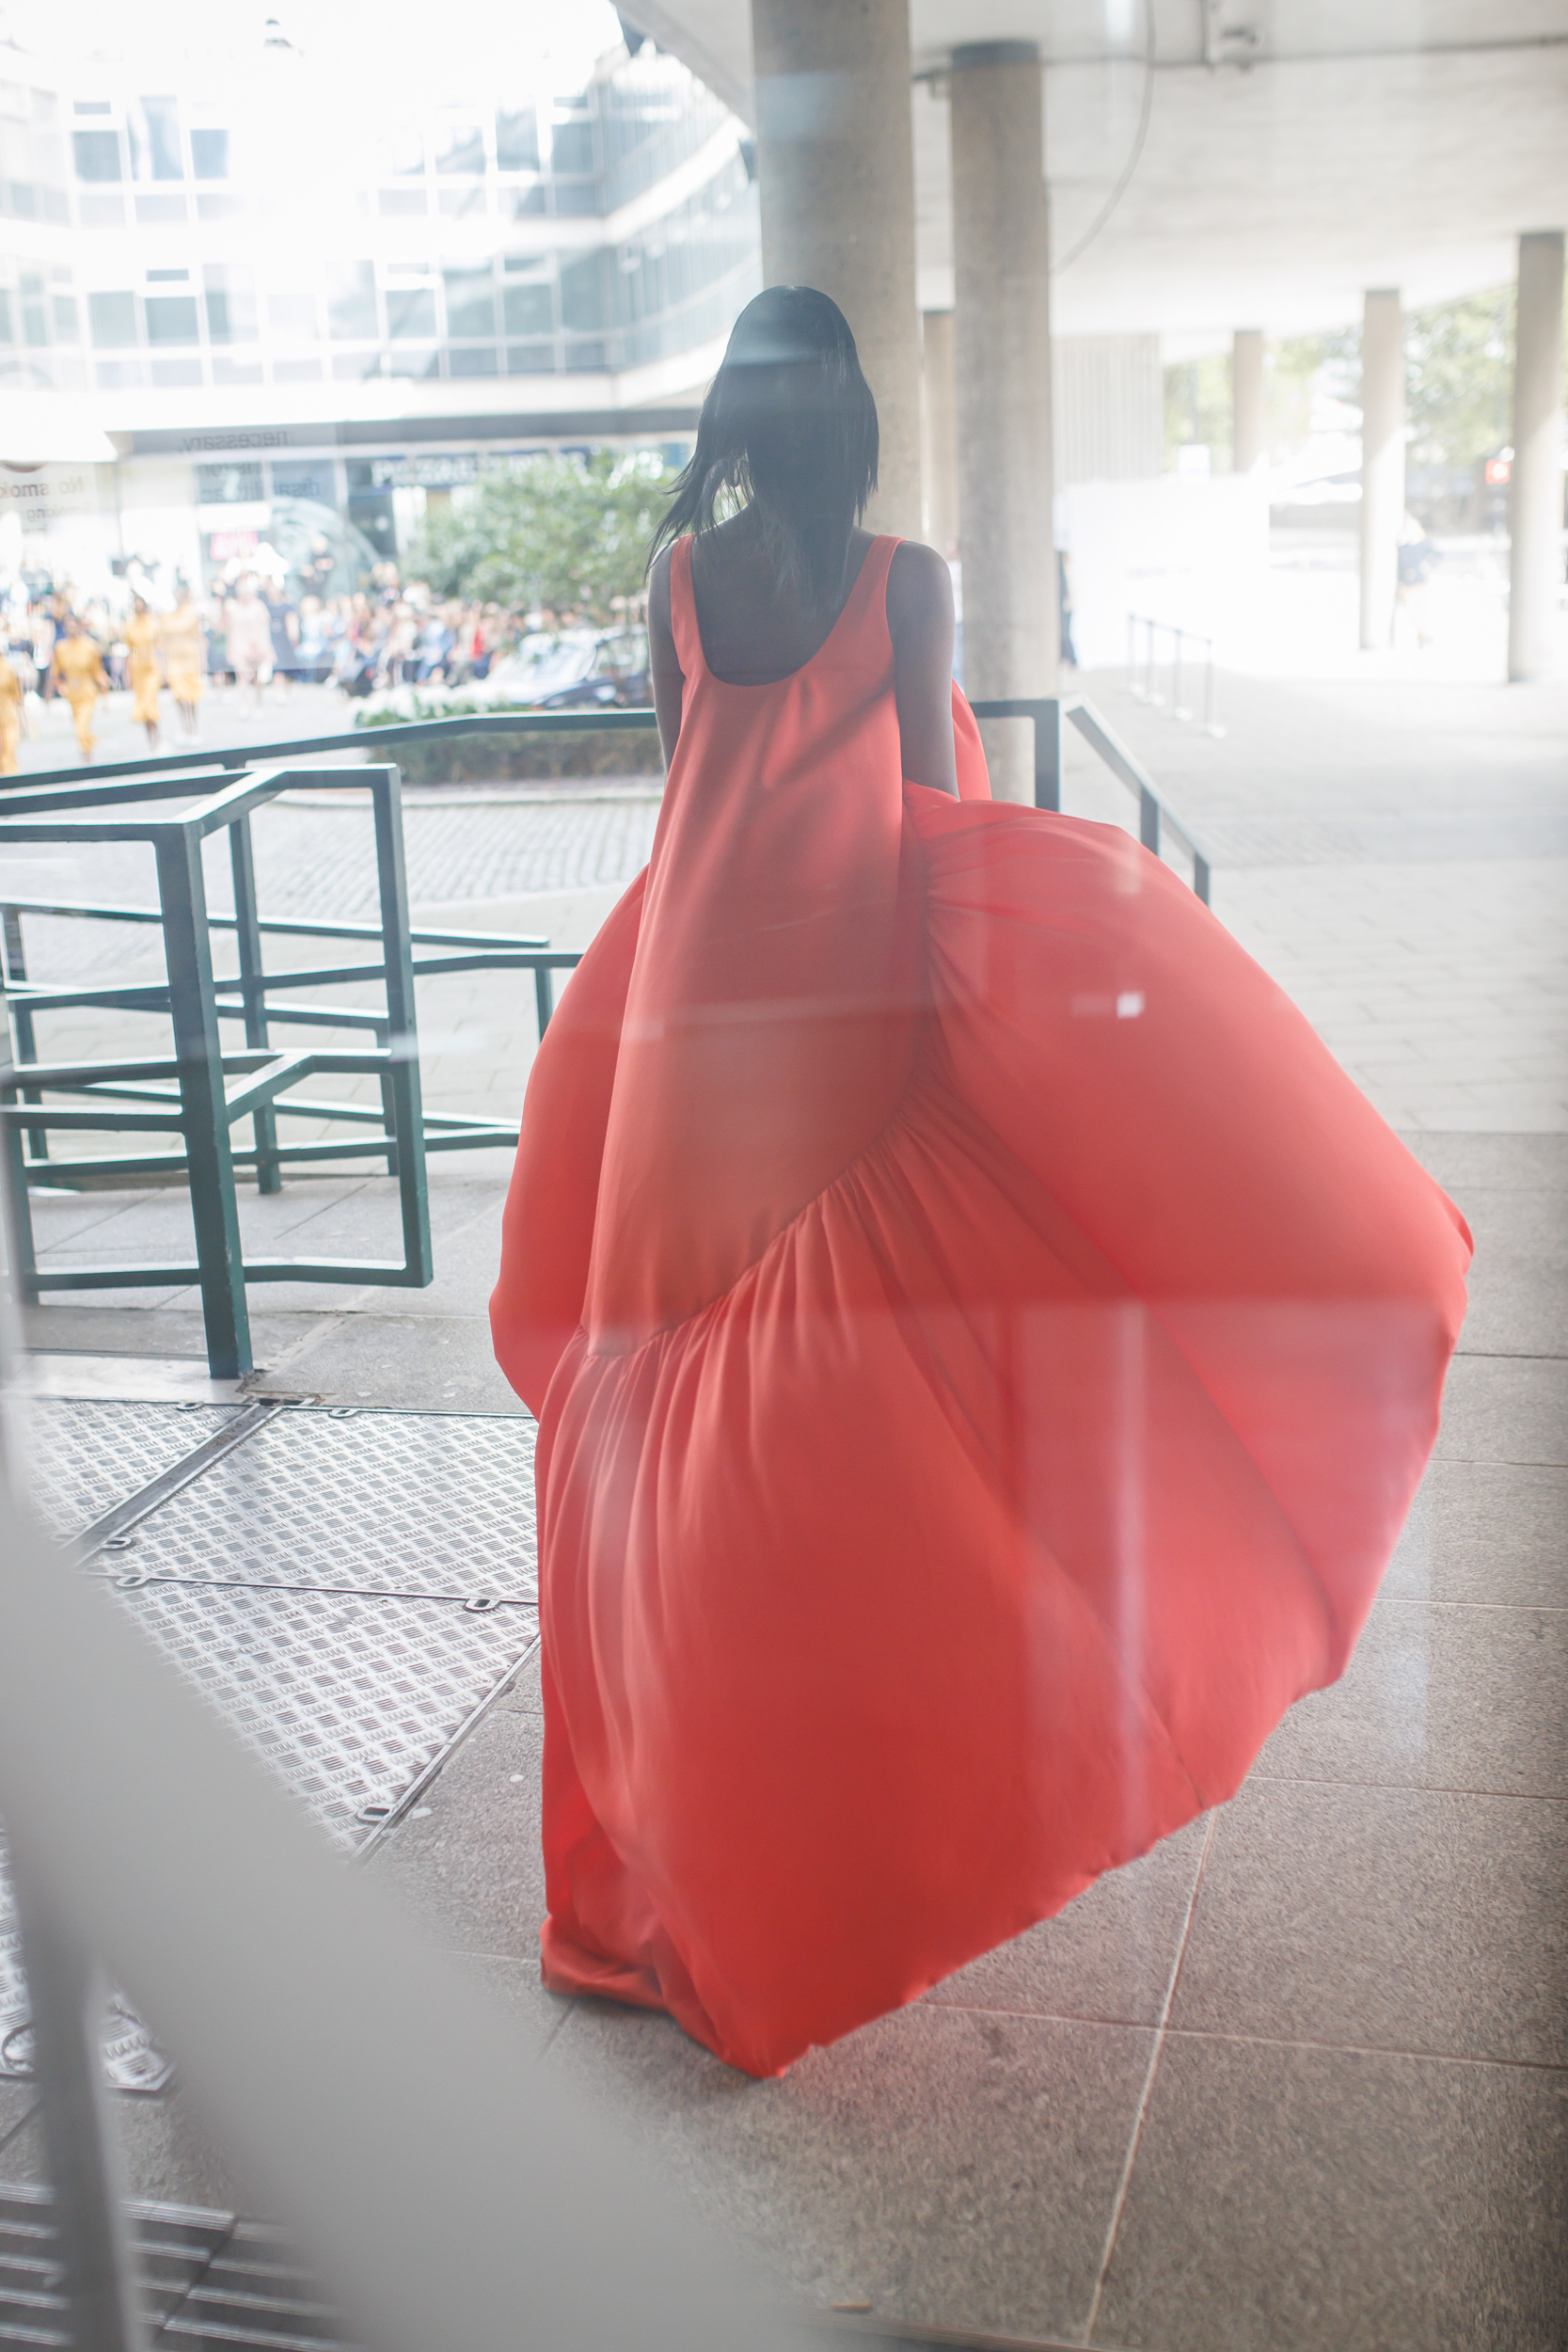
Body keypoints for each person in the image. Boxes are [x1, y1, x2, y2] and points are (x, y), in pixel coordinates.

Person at [489, 286, 1471, 2081]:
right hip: (845, 996)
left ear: (729, 423)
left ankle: (629, 1891)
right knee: (855, 1389)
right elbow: (943, 799)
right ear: (846, 426)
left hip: (690, 1021)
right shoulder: (906, 579)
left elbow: (681, 781)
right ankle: (804, 1835)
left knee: (639, 1421)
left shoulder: (676, 585)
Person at [50, 612, 109, 761]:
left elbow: (98, 672)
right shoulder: (60, 648)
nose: (70, 628)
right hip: (72, 695)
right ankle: (88, 760)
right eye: (67, 625)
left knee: (81, 728)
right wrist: (60, 687)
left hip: (88, 693)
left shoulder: (90, 646)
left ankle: (86, 761)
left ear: (79, 626)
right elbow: (56, 674)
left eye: (73, 625)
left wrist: (105, 694)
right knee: (79, 728)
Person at [160, 585, 206, 738]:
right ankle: (185, 727)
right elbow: (163, 642)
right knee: (179, 696)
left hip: (190, 659)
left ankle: (195, 729)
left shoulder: (191, 615)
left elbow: (199, 638)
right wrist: (164, 666)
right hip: (174, 660)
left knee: (192, 696)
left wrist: (203, 661)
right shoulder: (167, 617)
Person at [223, 573, 274, 710]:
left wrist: (262, 647)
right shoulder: (234, 609)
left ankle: (258, 704)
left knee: (257, 679)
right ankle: (244, 705)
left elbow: (263, 628)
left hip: (256, 648)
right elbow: (230, 630)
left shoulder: (258, 607)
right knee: (242, 678)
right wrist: (229, 650)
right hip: (239, 648)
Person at [123, 593, 164, 751]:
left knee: (150, 703)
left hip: (152, 667)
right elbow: (129, 651)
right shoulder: (130, 625)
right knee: (145, 706)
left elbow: (160, 647)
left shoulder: (153, 623)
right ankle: (151, 742)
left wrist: (164, 668)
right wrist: (127, 673)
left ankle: (158, 739)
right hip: (138, 668)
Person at [0, 644, 23, 774]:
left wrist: (22, 718)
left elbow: (16, 697)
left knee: (9, 751)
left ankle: (11, 786)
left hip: (8, 717)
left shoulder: (9, 670)